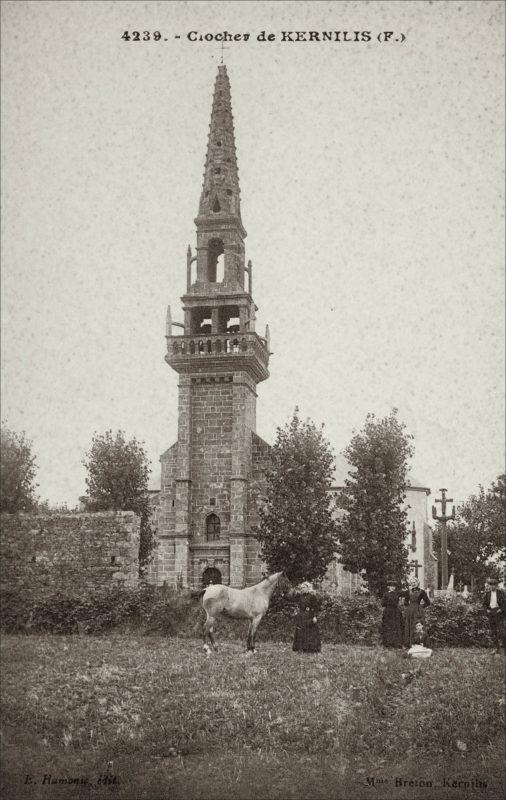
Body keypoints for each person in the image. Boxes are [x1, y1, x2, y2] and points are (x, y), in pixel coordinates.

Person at [403, 579, 431, 647]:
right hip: (410, 611)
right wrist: (410, 607)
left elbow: (428, 602)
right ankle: (409, 643)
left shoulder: (422, 592)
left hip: (418, 611)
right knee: (409, 625)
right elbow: (405, 603)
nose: (413, 583)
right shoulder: (408, 592)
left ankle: (420, 643)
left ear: (418, 583)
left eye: (415, 582)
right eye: (412, 582)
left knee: (418, 624)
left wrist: (421, 607)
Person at [482, 577, 505, 654]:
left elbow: (504, 604)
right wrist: (487, 610)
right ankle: (496, 649)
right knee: (493, 632)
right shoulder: (487, 594)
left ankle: (505, 649)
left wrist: (501, 609)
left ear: (496, 585)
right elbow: (484, 604)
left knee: (502, 632)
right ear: (489, 586)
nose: (492, 586)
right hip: (491, 613)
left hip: (498, 613)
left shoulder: (500, 593)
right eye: (491, 585)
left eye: (494, 585)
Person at [381, 583, 404, 648]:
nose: (393, 588)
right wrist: (389, 602)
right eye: (391, 586)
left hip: (396, 612)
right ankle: (388, 643)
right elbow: (382, 603)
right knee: (388, 626)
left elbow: (405, 594)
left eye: (394, 586)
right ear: (388, 587)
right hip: (388, 612)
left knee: (396, 626)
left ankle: (396, 643)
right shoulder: (386, 594)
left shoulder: (397, 594)